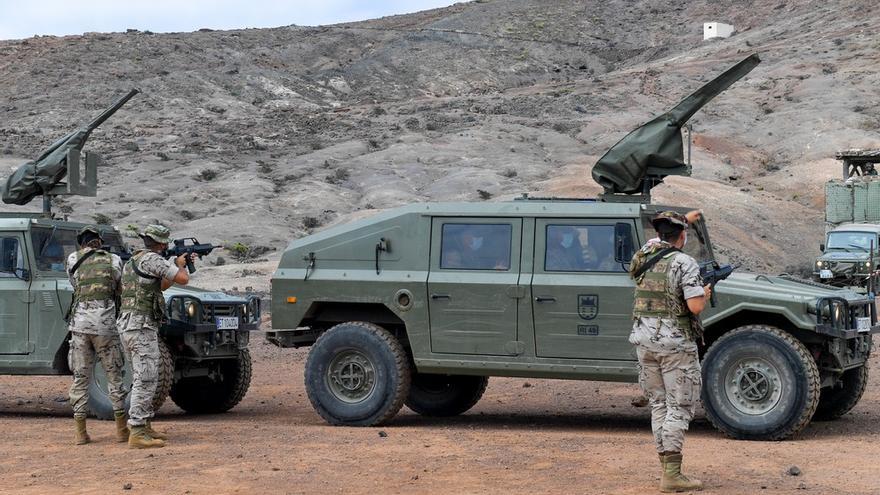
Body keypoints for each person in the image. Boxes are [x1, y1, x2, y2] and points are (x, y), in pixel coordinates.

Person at [628, 211, 711, 493]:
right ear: (683, 237)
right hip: (674, 345)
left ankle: (667, 470)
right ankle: (672, 476)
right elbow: (695, 307)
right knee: (680, 407)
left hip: (644, 341)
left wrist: (680, 221)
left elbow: (655, 244)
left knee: (660, 405)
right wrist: (705, 293)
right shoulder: (684, 262)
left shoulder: (644, 254)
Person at [117, 224, 192, 449]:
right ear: (161, 243)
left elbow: (162, 285)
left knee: (147, 374)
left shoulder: (134, 260)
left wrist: (175, 266)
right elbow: (182, 280)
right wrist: (180, 266)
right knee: (147, 377)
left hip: (131, 324)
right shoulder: (152, 259)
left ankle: (144, 425)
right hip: (140, 325)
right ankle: (138, 431)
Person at [66, 225, 127, 445]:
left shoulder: (73, 258)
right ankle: (121, 431)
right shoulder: (113, 260)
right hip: (105, 326)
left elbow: (75, 286)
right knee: (114, 376)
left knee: (80, 378)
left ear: (82, 242)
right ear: (99, 242)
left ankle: (80, 433)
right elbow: (119, 288)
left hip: (80, 326)